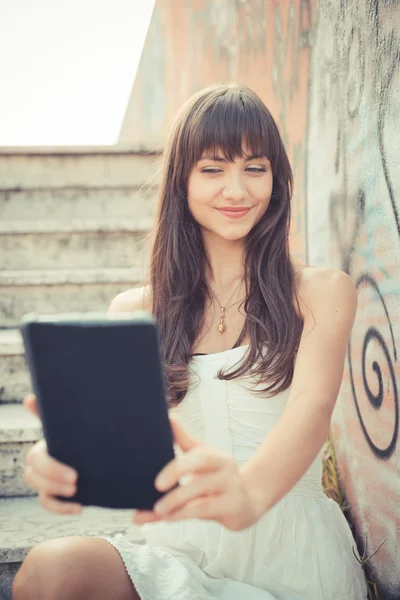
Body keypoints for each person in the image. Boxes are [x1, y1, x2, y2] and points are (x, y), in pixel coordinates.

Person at [13, 82, 368, 600]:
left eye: (255, 168)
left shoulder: (319, 291)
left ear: (277, 179)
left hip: (287, 548)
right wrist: (67, 460)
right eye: (213, 168)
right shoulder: (136, 311)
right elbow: (121, 444)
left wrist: (248, 493)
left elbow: (311, 412)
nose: (236, 190)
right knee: (50, 570)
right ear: (181, 179)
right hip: (178, 550)